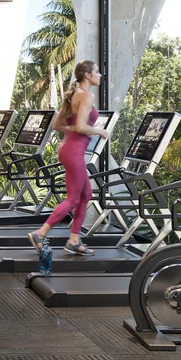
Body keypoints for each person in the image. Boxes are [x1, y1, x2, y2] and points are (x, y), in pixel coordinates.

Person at [27, 60, 109, 267]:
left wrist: (74, 132)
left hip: (69, 149)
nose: (100, 75)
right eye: (97, 72)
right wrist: (99, 131)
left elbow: (58, 125)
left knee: (86, 194)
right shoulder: (87, 96)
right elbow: (82, 126)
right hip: (74, 151)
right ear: (87, 75)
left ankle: (74, 240)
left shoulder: (73, 95)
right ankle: (40, 234)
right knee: (73, 198)